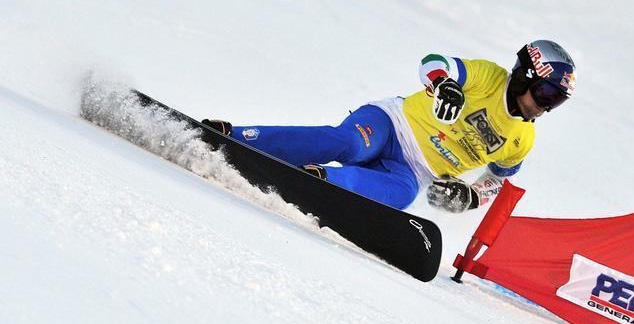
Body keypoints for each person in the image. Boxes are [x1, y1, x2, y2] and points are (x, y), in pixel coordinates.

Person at [203, 40, 576, 212]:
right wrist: (443, 83)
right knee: (349, 145)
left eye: (555, 102)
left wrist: (470, 197)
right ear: (526, 77)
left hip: (414, 170)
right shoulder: (488, 78)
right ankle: (235, 137)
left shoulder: (522, 138)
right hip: (391, 123)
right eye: (545, 94)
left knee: (401, 196)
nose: (545, 108)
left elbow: (497, 179)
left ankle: (319, 182)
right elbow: (434, 60)